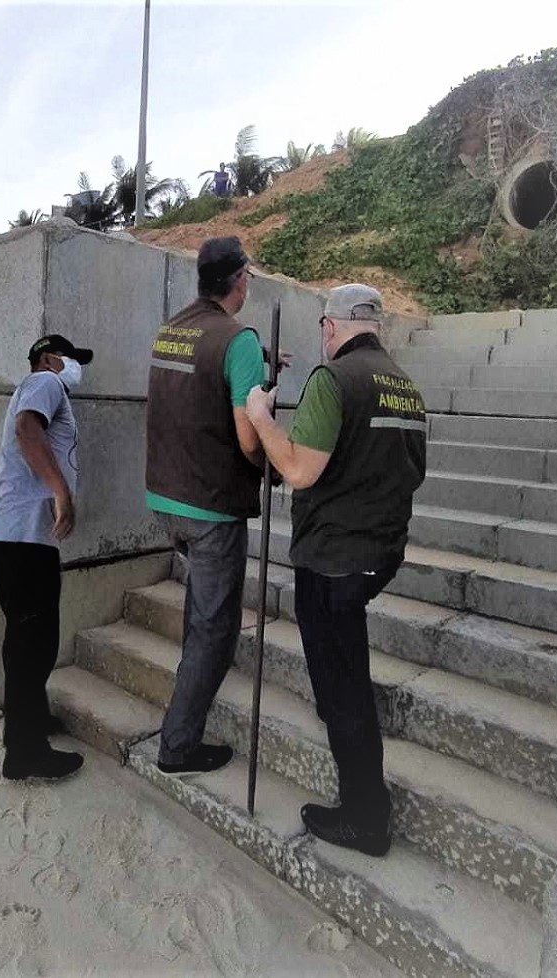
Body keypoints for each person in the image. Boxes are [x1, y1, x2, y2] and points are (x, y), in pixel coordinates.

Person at [245, 284, 426, 855]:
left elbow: (298, 469)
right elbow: (412, 470)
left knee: (342, 690)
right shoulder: (404, 386)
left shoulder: (334, 380)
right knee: (344, 681)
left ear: (330, 327)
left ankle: (365, 816)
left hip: (333, 561)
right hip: (378, 553)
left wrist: (260, 415)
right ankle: (365, 796)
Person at [145, 236, 267, 776]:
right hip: (212, 506)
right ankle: (177, 748)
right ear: (239, 279)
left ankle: (181, 720)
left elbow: (200, 376)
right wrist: (275, 458)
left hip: (166, 497)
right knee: (215, 631)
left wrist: (255, 363)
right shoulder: (237, 339)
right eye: (249, 277)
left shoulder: (173, 329)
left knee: (203, 614)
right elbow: (247, 437)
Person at [0, 333, 94, 782]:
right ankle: (26, 754)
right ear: (49, 358)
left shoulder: (38, 388)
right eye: (71, 359)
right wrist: (60, 491)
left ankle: (28, 724)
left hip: (12, 537)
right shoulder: (45, 383)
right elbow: (28, 430)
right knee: (37, 643)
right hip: (24, 537)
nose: (75, 369)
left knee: (23, 640)